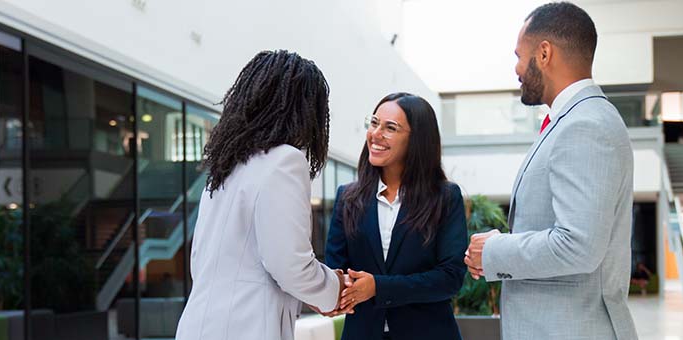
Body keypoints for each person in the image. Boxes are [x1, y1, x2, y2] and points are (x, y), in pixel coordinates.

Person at [462, 2, 639, 339]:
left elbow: (578, 246)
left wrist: (495, 252)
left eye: (519, 55)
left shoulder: (585, 125)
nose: (516, 68)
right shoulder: (574, 121)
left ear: (544, 53)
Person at [176, 50, 346, 340]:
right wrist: (334, 290)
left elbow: (201, 259)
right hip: (246, 327)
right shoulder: (285, 161)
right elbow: (290, 264)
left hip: (199, 325)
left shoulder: (225, 167)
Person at [324, 93, 467, 340]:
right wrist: (333, 291)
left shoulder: (445, 197)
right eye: (374, 123)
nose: (375, 134)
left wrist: (379, 288)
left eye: (390, 127)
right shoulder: (347, 198)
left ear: (417, 140)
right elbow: (335, 269)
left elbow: (449, 278)